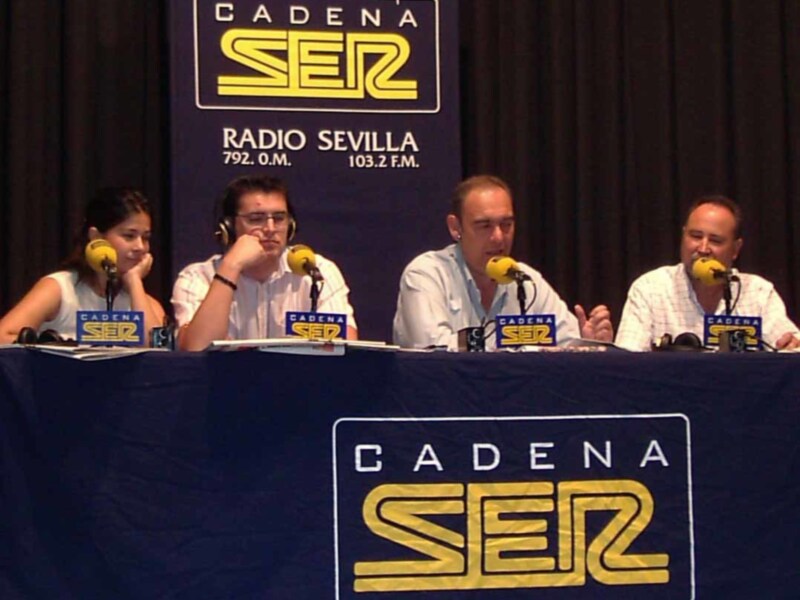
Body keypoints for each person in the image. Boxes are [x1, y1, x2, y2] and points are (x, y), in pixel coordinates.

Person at [392, 175, 613, 349]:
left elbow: (564, 342)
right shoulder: (427, 274)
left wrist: (588, 343)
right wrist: (510, 338)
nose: (499, 237)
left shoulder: (526, 280)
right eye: (484, 225)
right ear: (455, 228)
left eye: (506, 224)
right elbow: (435, 349)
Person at [172, 174, 357, 351]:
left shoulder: (316, 271)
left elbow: (345, 348)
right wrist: (231, 266)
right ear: (228, 227)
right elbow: (195, 348)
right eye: (256, 219)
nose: (270, 228)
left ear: (290, 225)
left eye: (279, 218)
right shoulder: (197, 277)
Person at [615, 195, 800, 351]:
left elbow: (790, 344)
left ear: (736, 249)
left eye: (716, 240)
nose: (703, 248)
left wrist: (792, 345)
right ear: (683, 237)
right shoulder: (650, 289)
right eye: (695, 236)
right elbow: (627, 362)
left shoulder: (758, 292)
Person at [0, 187, 165, 344]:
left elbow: (157, 353)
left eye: (146, 238)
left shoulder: (146, 302)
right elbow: (3, 336)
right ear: (96, 237)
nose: (140, 247)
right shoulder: (60, 288)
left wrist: (134, 281)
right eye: (129, 236)